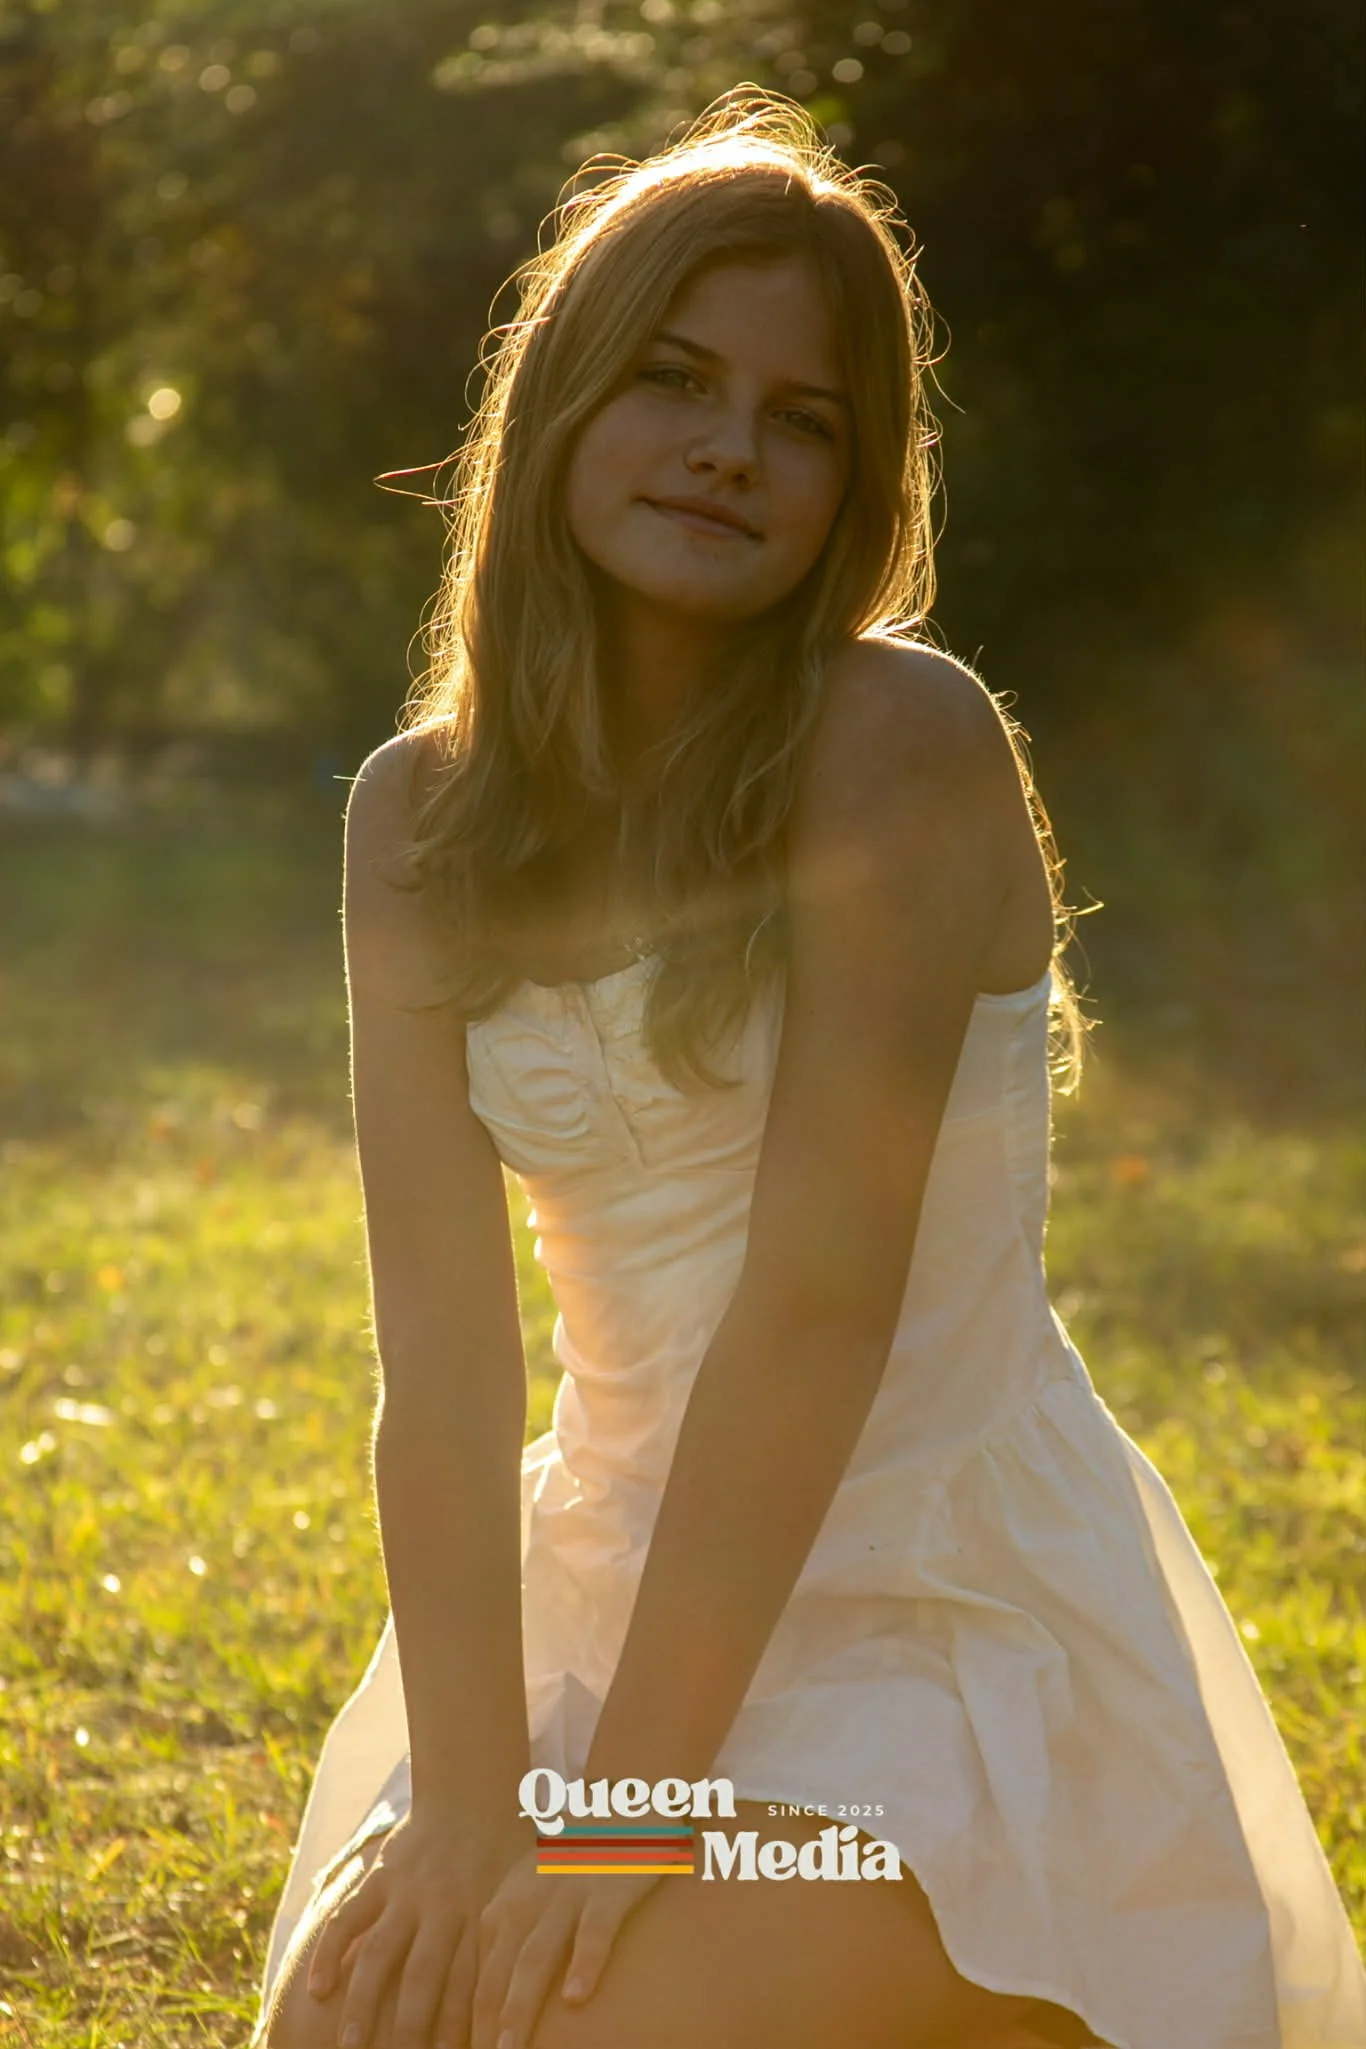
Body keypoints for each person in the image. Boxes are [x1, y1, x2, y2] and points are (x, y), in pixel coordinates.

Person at [253, 92, 1364, 2049]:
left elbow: (815, 1312)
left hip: (933, 1645)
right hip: (596, 1613)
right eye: (674, 380)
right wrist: (471, 1805)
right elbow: (438, 1358)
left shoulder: (896, 739)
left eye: (801, 419)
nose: (727, 449)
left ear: (856, 484)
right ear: (565, 403)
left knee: (575, 2024)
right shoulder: (412, 815)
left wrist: (613, 1834)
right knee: (361, 2017)